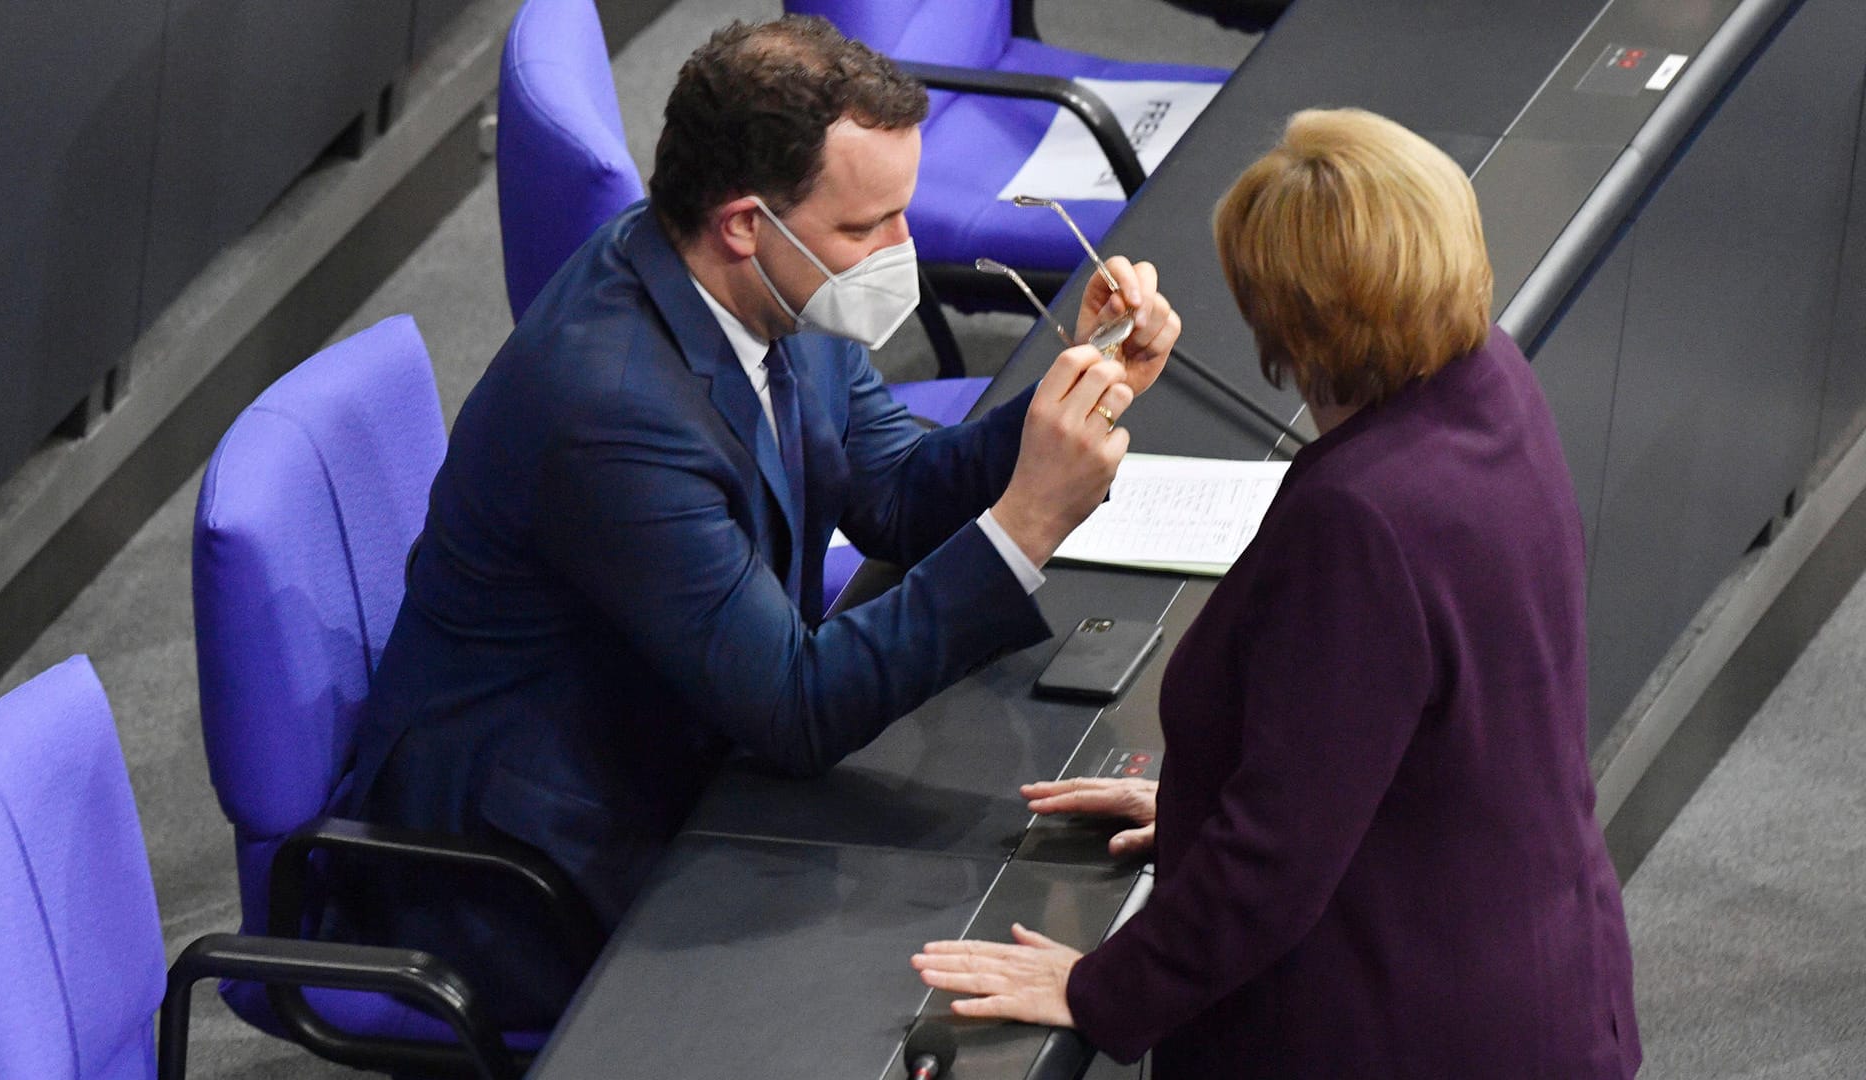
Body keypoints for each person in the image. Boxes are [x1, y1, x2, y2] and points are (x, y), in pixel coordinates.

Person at [337, 16, 1180, 1027]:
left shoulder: (770, 294)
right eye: (868, 229)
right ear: (745, 222)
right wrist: (1026, 525)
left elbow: (899, 493)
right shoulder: (610, 407)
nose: (900, 253)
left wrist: (1068, 385)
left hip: (687, 740)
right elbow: (796, 712)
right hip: (536, 863)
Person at [913, 108, 1641, 1077]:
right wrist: (1212, 791)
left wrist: (1100, 990)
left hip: (1402, 1029)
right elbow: (1403, 729)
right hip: (1530, 969)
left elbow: (1277, 865)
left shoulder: (1361, 521)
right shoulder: (1489, 378)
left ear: (1287, 318)